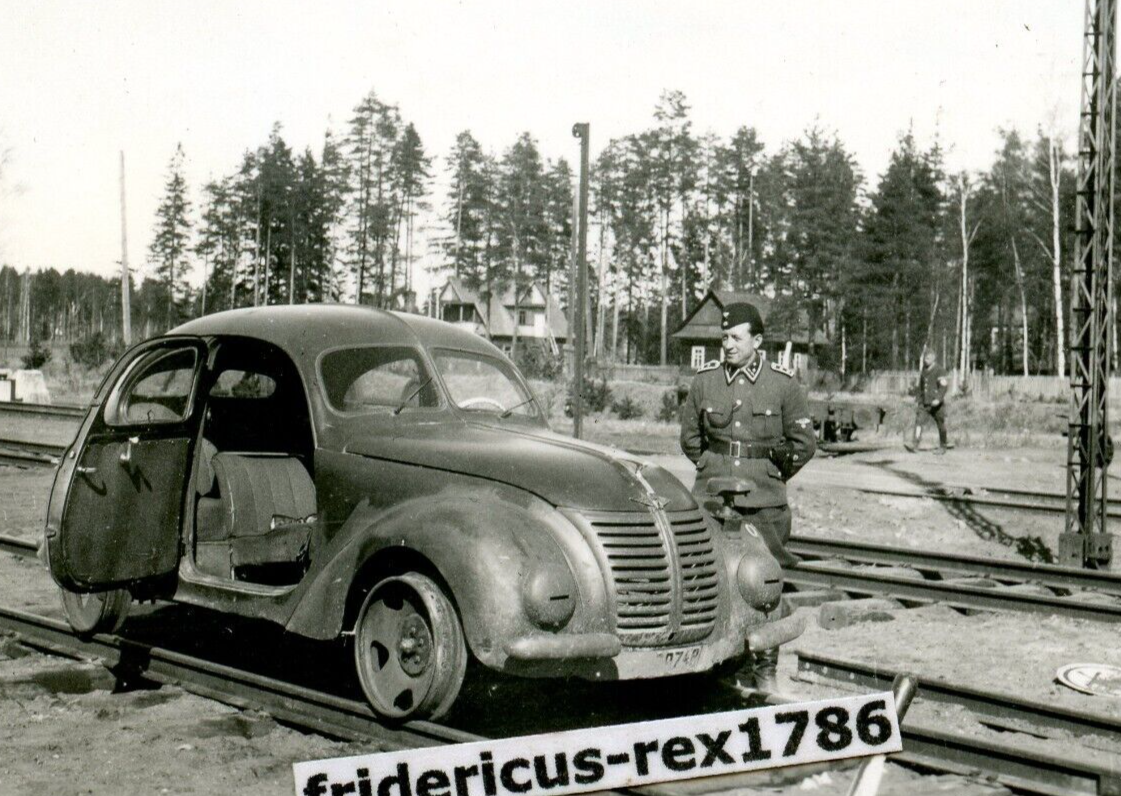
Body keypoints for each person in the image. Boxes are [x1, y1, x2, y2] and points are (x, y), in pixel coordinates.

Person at [679, 302, 816, 692]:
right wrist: (711, 469)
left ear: (757, 341)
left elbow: (804, 443)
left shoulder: (783, 384)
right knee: (708, 580)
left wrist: (773, 475)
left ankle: (765, 668)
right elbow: (690, 438)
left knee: (766, 588)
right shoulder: (705, 381)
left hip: (764, 503)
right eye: (724, 337)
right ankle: (716, 666)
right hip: (712, 499)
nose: (728, 344)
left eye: (736, 337)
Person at [906, 350, 954, 454]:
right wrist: (918, 398)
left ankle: (943, 446)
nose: (925, 360)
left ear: (933, 359)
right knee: (918, 422)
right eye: (924, 358)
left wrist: (938, 399)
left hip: (936, 404)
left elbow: (943, 386)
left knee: (941, 424)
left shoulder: (939, 370)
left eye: (927, 358)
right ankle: (915, 445)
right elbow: (922, 386)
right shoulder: (924, 369)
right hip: (924, 403)